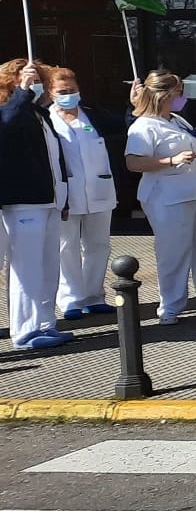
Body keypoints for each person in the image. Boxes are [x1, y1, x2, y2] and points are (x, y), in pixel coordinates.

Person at [124, 70, 196, 326]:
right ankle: (170, 305)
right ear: (164, 95)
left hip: (195, 192)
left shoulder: (178, 120)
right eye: (179, 93)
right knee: (174, 252)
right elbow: (133, 162)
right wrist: (170, 161)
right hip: (166, 197)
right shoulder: (143, 126)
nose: (183, 98)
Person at [2, 59, 68, 349]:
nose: (40, 84)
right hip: (23, 201)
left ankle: (45, 322)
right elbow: (5, 126)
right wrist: (23, 92)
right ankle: (24, 330)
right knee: (26, 268)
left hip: (49, 200)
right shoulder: (11, 111)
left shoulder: (38, 114)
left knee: (47, 265)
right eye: (34, 78)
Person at [46, 67, 118, 323]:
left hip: (99, 190)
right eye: (62, 91)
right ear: (50, 93)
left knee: (99, 245)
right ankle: (71, 299)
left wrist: (137, 101)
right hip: (66, 194)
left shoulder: (93, 116)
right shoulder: (47, 119)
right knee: (67, 247)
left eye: (73, 90)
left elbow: (126, 122)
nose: (69, 95)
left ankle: (94, 296)